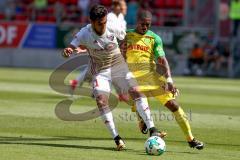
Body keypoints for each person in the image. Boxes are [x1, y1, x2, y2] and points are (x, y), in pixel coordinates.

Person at [62, 5, 163, 151]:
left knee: (136, 91)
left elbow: (126, 37)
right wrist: (68, 51)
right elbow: (70, 47)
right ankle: (117, 138)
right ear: (91, 21)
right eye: (99, 23)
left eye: (104, 22)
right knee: (101, 101)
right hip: (100, 71)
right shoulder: (84, 33)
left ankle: (152, 128)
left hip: (118, 67)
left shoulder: (112, 27)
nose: (103, 26)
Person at [120, 10, 204, 150]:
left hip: (152, 77)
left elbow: (162, 59)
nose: (145, 27)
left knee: (174, 105)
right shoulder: (126, 36)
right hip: (133, 77)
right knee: (139, 96)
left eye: (148, 24)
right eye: (143, 24)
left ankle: (191, 139)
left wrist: (169, 80)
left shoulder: (155, 38)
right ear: (137, 21)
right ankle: (150, 126)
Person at [69, 0, 127, 93]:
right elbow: (103, 37)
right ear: (115, 6)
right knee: (97, 69)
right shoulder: (110, 17)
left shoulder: (121, 18)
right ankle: (91, 87)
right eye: (122, 6)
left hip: (112, 49)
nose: (124, 8)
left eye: (125, 6)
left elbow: (121, 36)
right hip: (103, 49)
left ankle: (83, 84)